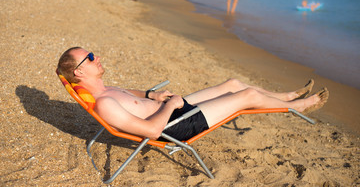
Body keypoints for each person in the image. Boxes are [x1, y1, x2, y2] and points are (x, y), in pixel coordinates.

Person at [57, 47, 329, 141]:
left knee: (232, 83)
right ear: (79, 73)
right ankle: (300, 106)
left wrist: (154, 95)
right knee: (245, 97)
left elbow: (135, 94)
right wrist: (170, 105)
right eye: (90, 57)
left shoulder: (106, 89)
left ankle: (287, 96)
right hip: (175, 126)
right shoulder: (104, 104)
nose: (98, 57)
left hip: (173, 110)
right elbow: (151, 132)